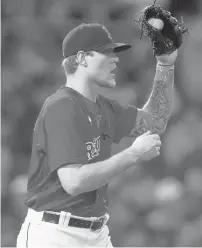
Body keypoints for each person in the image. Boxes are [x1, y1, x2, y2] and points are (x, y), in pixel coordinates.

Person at [16, 23, 177, 247]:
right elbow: (74, 181)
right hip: (55, 234)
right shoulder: (61, 107)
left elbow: (156, 120)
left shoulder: (103, 108)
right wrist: (134, 154)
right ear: (82, 58)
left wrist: (165, 64)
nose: (116, 59)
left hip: (96, 233)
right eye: (106, 52)